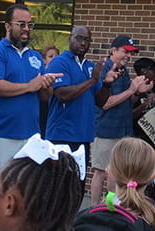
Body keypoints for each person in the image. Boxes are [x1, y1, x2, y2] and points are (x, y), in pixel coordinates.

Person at [0, 3, 60, 231]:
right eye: (21, 24)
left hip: (29, 139)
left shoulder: (34, 57)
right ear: (7, 26)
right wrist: (29, 86)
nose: (26, 29)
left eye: (29, 24)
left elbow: (43, 96)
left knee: (23, 195)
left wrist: (46, 85)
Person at [45, 26, 115, 189]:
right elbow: (63, 94)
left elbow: (100, 101)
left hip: (83, 136)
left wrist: (106, 84)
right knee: (59, 187)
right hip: (62, 136)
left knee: (77, 187)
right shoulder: (59, 62)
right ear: (70, 38)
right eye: (79, 38)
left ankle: (72, 215)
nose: (83, 43)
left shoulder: (90, 66)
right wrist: (92, 80)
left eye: (87, 40)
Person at [90, 35, 152, 205]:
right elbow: (106, 103)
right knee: (101, 173)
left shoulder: (123, 71)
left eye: (131, 53)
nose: (128, 56)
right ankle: (95, 209)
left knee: (115, 173)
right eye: (125, 51)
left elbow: (124, 100)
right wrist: (131, 89)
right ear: (114, 50)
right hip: (105, 130)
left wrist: (137, 91)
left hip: (122, 130)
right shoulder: (105, 70)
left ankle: (111, 207)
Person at [132, 57, 155, 149]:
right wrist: (144, 104)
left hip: (151, 135)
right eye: (153, 70)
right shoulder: (133, 87)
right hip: (137, 135)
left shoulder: (154, 88)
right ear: (144, 71)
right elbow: (130, 115)